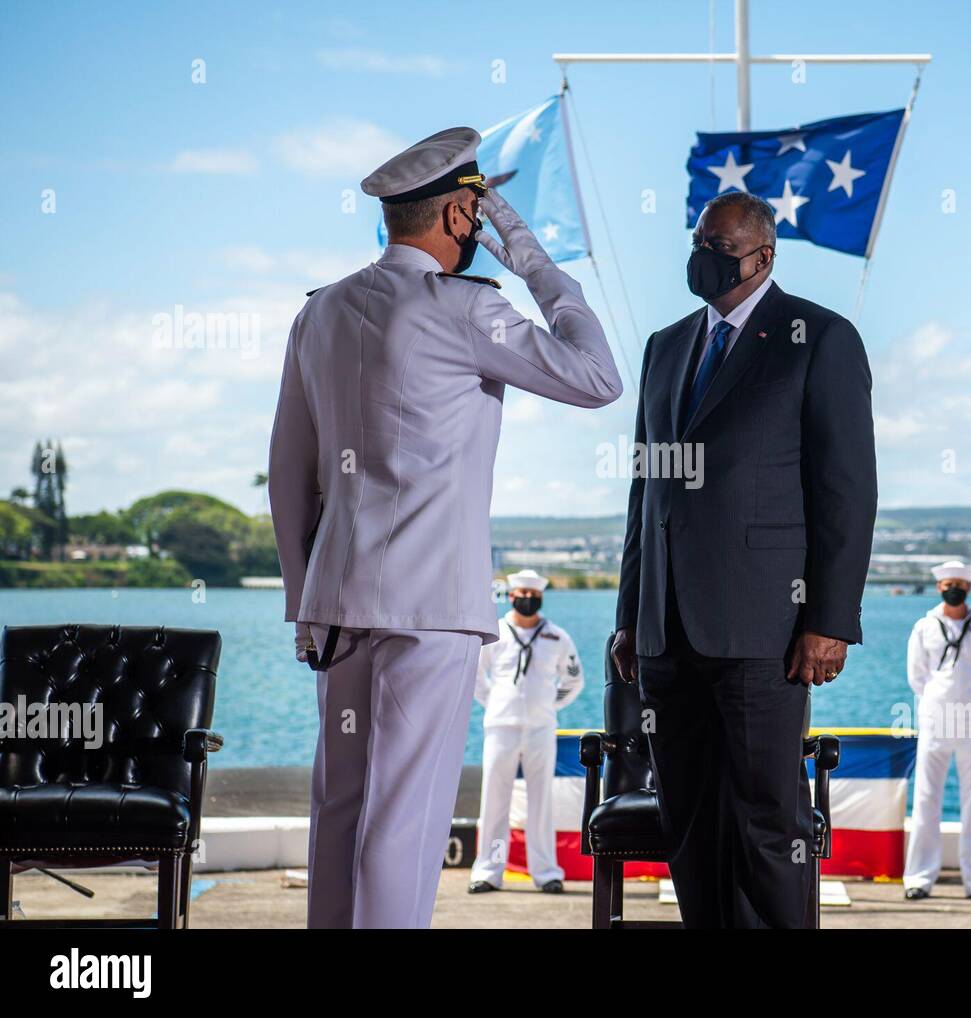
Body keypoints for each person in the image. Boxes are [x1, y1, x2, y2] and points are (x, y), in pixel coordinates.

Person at [267, 126, 621, 929]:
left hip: (337, 604)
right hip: (430, 612)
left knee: (341, 810)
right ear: (464, 216)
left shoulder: (318, 315)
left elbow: (289, 476)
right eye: (479, 212)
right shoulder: (467, 310)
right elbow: (598, 377)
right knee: (405, 822)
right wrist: (528, 256)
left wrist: (304, 599)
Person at [610, 191, 877, 928]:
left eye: (721, 248)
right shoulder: (664, 346)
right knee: (688, 823)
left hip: (768, 629)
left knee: (768, 825)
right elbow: (646, 493)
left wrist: (830, 619)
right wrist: (632, 616)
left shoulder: (819, 338)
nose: (706, 258)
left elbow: (846, 493)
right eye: (699, 242)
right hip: (667, 630)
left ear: (764, 256)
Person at [467, 569, 584, 895]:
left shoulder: (557, 637)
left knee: (541, 800)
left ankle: (547, 873)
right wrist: (495, 703)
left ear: (540, 598)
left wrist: (548, 704)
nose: (527, 601)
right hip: (500, 726)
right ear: (512, 596)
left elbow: (574, 681)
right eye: (522, 595)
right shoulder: (496, 634)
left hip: (540, 728)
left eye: (533, 596)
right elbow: (476, 675)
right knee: (494, 799)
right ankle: (488, 871)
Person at [902, 560, 971, 901]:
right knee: (926, 798)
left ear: (969, 588)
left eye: (960, 584)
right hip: (935, 720)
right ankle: (918, 879)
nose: (955, 589)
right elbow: (916, 676)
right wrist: (938, 701)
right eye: (949, 584)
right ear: (938, 587)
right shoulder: (924, 626)